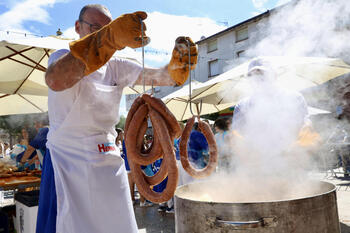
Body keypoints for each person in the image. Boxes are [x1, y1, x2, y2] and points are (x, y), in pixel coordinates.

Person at [37, 4, 197, 233]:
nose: (103, 32)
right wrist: (109, 38)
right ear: (77, 27)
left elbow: (158, 76)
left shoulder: (117, 67)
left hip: (108, 163)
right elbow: (56, 80)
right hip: (67, 164)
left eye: (108, 28)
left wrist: (177, 69)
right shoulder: (62, 57)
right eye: (96, 28)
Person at [231, 58, 313, 172]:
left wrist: (298, 144)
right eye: (253, 76)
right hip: (257, 168)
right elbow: (236, 134)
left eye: (263, 74)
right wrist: (247, 154)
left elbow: (306, 125)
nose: (259, 79)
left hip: (291, 166)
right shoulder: (243, 105)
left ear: (274, 76)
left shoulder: (294, 98)